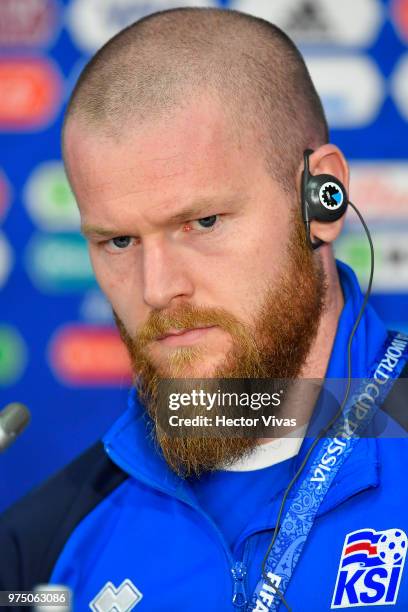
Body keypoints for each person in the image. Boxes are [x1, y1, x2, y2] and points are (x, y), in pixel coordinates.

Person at [1, 7, 408, 612]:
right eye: (118, 241)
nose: (158, 289)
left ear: (323, 200)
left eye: (202, 222)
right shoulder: (40, 546)